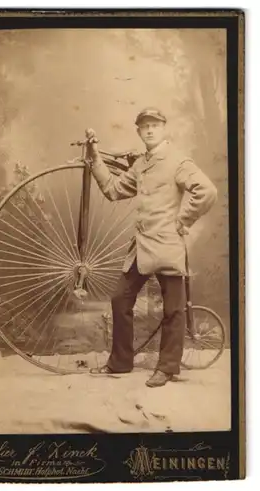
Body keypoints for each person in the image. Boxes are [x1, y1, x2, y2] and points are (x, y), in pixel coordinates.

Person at [86, 107, 217, 387]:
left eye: (154, 125)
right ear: (138, 131)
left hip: (168, 244)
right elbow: (113, 190)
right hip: (143, 245)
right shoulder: (141, 165)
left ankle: (167, 367)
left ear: (163, 128)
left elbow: (207, 191)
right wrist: (95, 159)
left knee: (174, 309)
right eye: (143, 126)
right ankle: (121, 363)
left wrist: (183, 219)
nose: (149, 130)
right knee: (120, 298)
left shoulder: (178, 161)